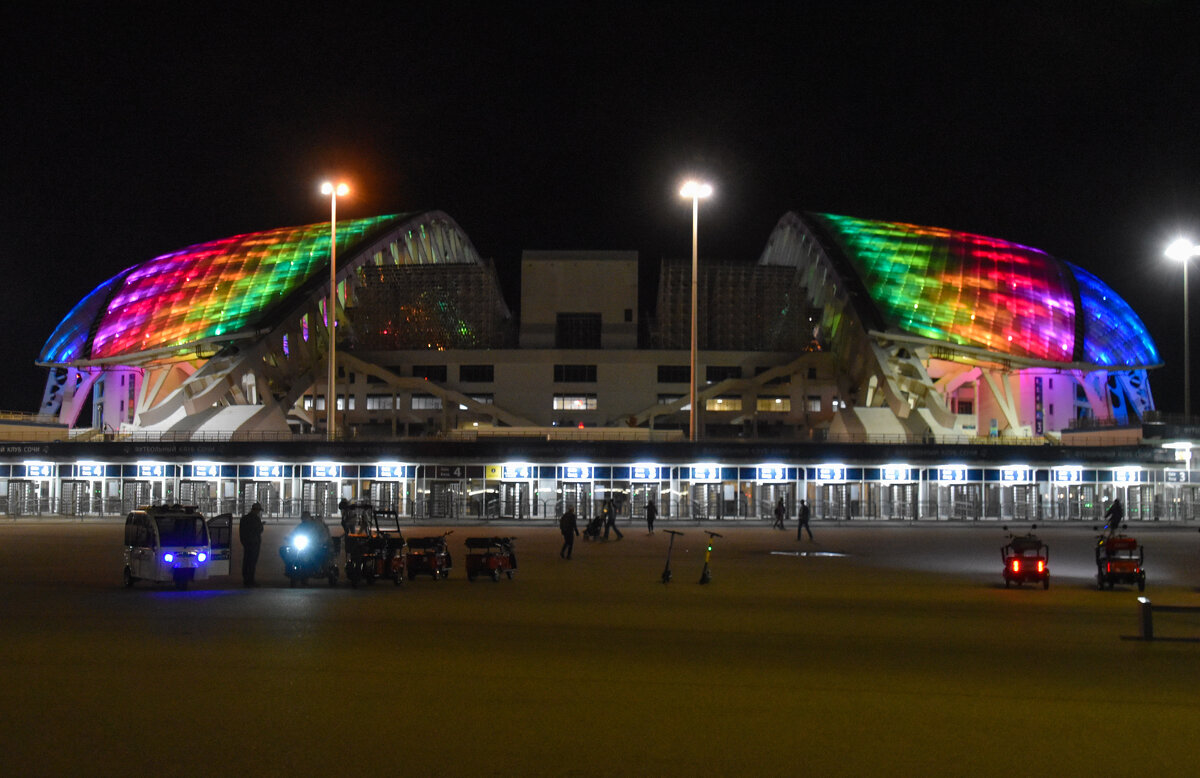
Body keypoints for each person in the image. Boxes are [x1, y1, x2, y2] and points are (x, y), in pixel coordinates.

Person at [239, 501, 264, 586]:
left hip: (247, 543)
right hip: (254, 543)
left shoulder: (244, 518)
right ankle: (250, 580)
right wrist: (261, 525)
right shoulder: (256, 519)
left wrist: (243, 542)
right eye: (259, 510)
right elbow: (259, 530)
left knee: (246, 561)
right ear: (256, 510)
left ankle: (246, 579)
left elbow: (241, 532)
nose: (259, 512)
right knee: (252, 562)